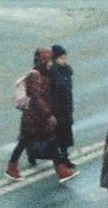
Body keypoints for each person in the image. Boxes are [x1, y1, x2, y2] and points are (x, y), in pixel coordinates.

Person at [6, 47, 72, 181]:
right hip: (34, 117)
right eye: (48, 61)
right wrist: (48, 114)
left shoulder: (43, 74)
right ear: (42, 61)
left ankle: (61, 170)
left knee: (46, 141)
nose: (51, 63)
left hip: (36, 117)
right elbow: (37, 97)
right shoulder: (35, 76)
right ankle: (11, 168)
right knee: (25, 141)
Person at [48, 45, 77, 161]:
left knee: (65, 132)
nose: (64, 60)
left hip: (66, 105)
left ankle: (64, 156)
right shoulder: (53, 73)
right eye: (62, 58)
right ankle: (59, 158)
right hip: (57, 107)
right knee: (58, 133)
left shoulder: (67, 71)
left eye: (65, 58)